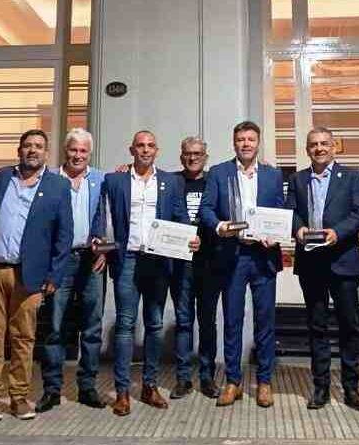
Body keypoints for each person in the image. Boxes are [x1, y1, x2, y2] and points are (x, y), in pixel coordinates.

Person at [0, 129, 73, 422]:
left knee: (23, 337)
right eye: (28, 145)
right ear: (19, 150)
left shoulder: (58, 185)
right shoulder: (2, 177)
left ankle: (19, 397)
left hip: (31, 275)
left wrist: (54, 275)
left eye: (39, 146)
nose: (33, 150)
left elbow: (64, 235)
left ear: (47, 152)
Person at [103, 130, 199, 416]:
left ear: (157, 151)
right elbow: (103, 216)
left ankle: (149, 386)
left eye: (150, 146)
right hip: (127, 259)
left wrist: (191, 237)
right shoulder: (115, 180)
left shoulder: (171, 182)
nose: (145, 150)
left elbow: (180, 216)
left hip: (158, 261)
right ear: (132, 150)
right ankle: (122, 392)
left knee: (155, 325)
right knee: (125, 325)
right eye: (140, 146)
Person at [199, 121, 284, 408]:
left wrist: (276, 234)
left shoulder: (273, 175)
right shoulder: (219, 172)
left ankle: (264, 382)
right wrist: (219, 226)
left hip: (263, 256)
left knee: (265, 321)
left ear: (258, 142)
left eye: (250, 139)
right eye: (240, 139)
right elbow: (206, 209)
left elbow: (281, 210)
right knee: (232, 320)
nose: (246, 144)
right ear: (234, 143)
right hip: (232, 255)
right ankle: (233, 381)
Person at [285, 127, 359, 411]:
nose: (319, 148)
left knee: (349, 326)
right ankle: (320, 387)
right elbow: (290, 211)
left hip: (343, 260)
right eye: (313, 144)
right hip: (311, 262)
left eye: (324, 143)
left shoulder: (353, 177)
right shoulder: (297, 179)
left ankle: (351, 388)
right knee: (317, 326)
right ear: (307, 149)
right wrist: (298, 228)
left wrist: (338, 232)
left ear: (334, 147)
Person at [36, 129, 108, 413]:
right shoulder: (50, 179)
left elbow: (110, 215)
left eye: (83, 151)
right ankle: (51, 389)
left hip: (92, 260)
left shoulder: (101, 179)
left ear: (90, 153)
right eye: (73, 150)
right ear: (65, 151)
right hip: (60, 261)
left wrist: (104, 249)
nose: (78, 156)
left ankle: (87, 387)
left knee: (92, 326)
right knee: (54, 327)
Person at [167, 136, 220, 400]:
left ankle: (207, 377)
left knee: (208, 322)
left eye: (198, 153)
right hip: (181, 264)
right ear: (181, 156)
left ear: (205, 157)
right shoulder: (170, 181)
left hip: (210, 263)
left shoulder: (215, 180)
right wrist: (125, 168)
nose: (192, 158)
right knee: (184, 321)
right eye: (188, 153)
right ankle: (183, 378)